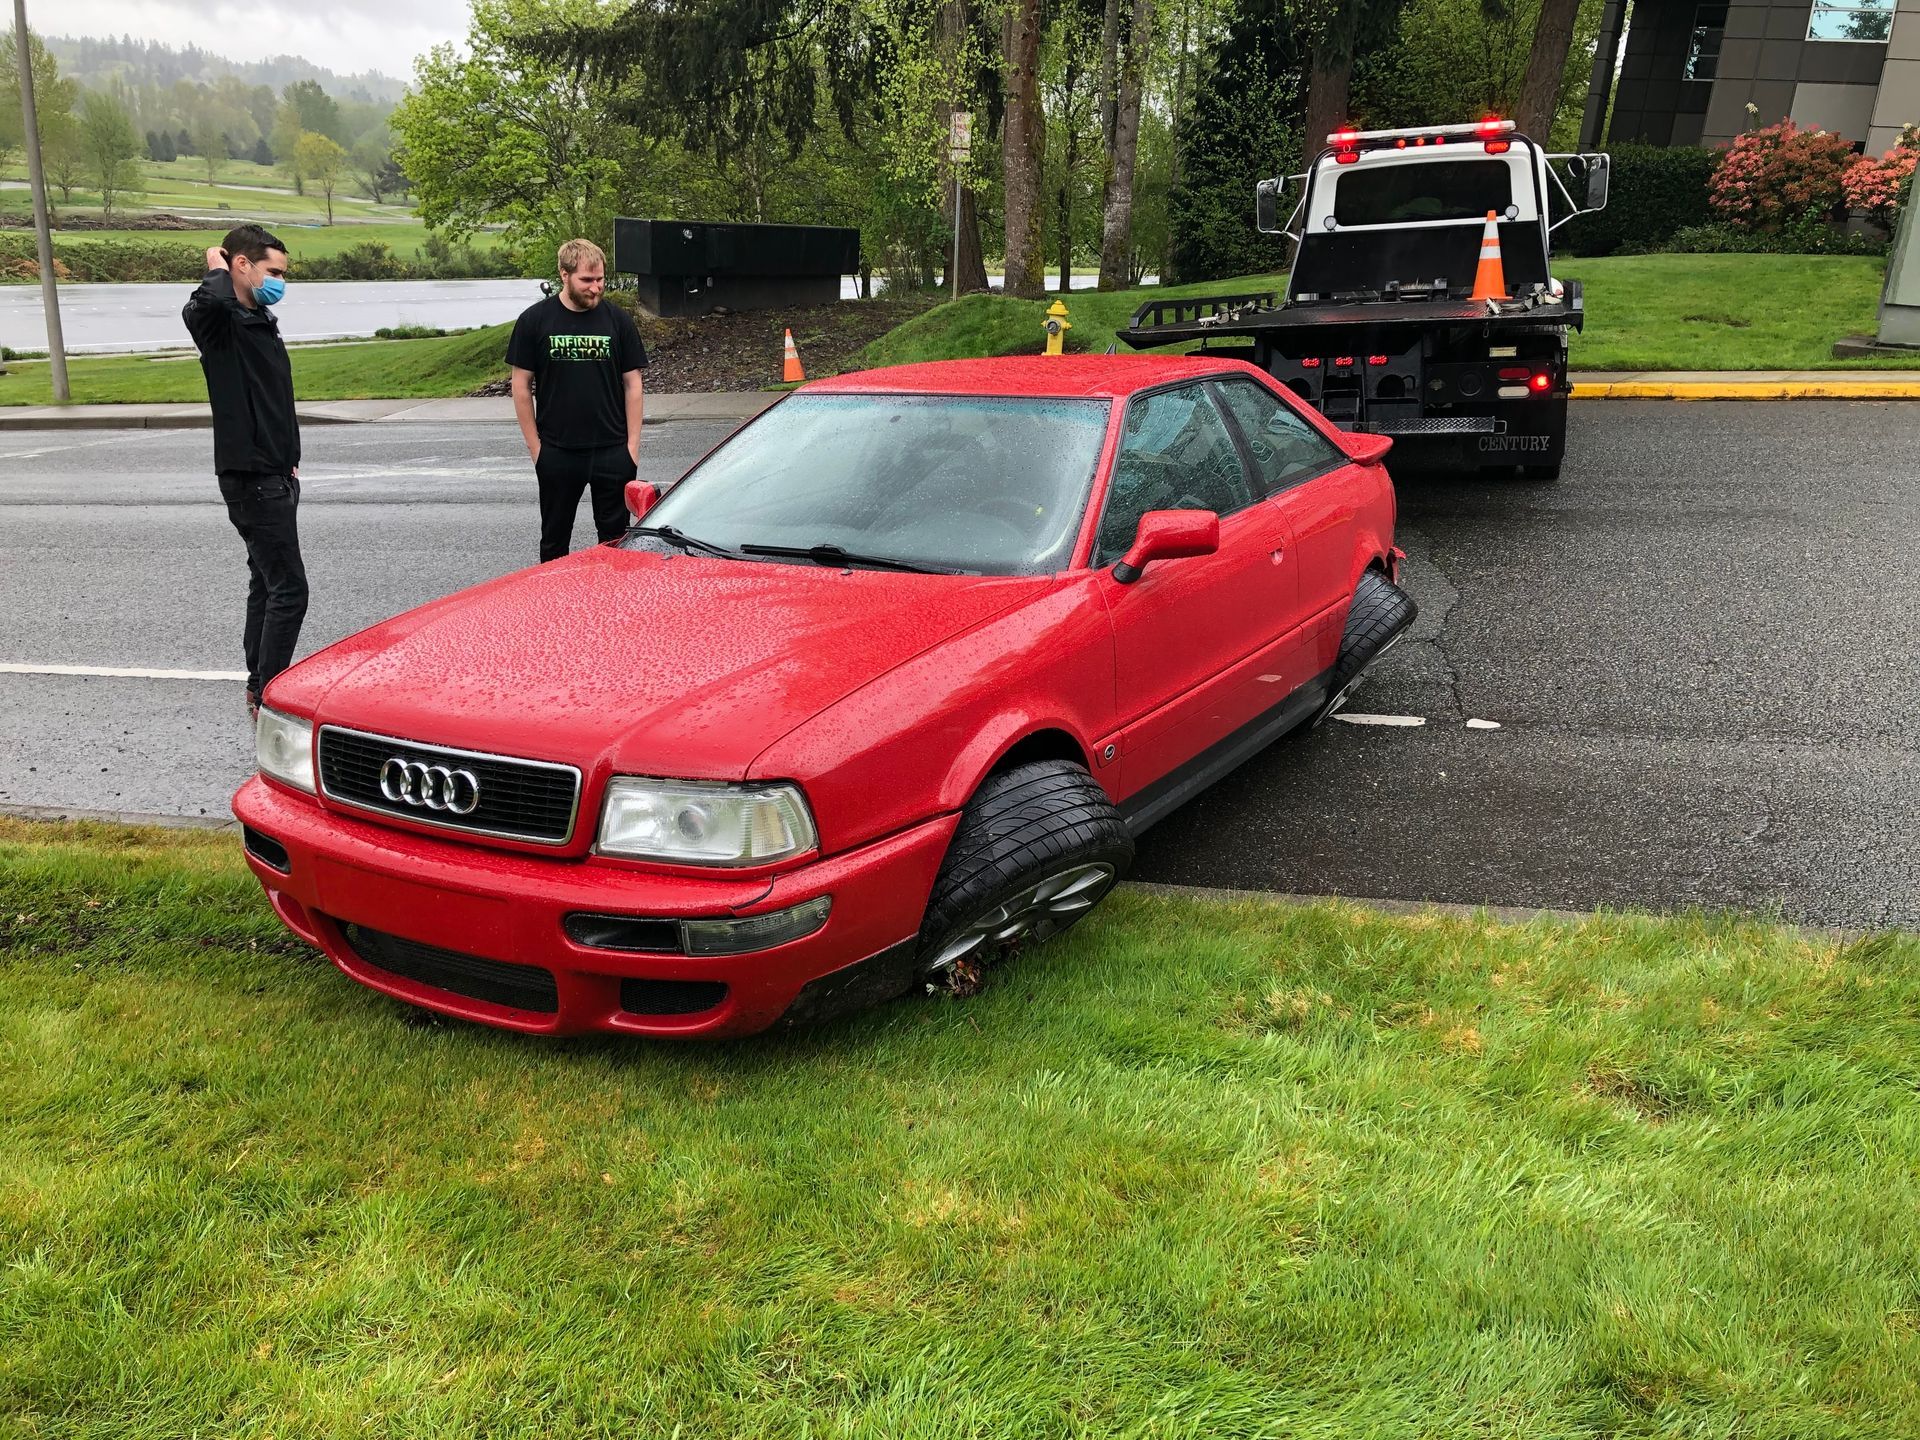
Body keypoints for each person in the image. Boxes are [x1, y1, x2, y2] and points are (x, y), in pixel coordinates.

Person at [183, 224, 305, 720]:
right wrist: (215, 267)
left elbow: (273, 398)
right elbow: (201, 306)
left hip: (276, 472)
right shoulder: (219, 321)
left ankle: (258, 686)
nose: (279, 281)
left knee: (266, 581)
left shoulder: (259, 316)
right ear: (241, 265)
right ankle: (271, 696)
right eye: (272, 271)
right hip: (251, 476)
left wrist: (290, 459)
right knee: (290, 590)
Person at [506, 238, 649, 562]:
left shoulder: (618, 320)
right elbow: (520, 385)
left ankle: (612, 606)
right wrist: (536, 449)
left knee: (616, 545)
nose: (596, 288)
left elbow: (633, 384)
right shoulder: (535, 320)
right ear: (564, 275)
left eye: (600, 280)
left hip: (612, 451)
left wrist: (632, 447)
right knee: (555, 543)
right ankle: (554, 609)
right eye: (587, 280)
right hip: (558, 451)